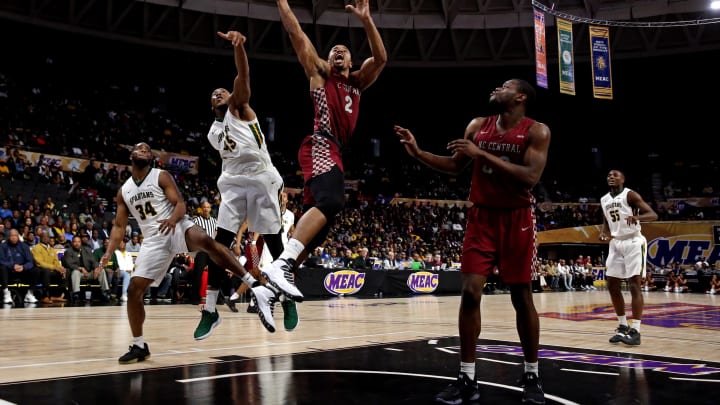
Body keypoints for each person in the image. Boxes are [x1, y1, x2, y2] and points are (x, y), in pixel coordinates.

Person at [394, 78, 550, 404]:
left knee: (522, 296)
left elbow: (530, 177)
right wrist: (418, 152)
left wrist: (483, 154)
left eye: (505, 86)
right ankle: (467, 376)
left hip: (518, 219)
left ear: (520, 96)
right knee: (469, 291)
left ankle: (532, 374)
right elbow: (454, 167)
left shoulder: (537, 131)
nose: (497, 88)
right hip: (482, 218)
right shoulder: (478, 125)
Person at [100, 142, 282, 365]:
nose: (144, 151)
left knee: (207, 241)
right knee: (134, 290)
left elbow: (180, 204)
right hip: (154, 240)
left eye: (148, 150)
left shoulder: (161, 176)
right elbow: (119, 227)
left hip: (175, 226)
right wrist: (108, 252)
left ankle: (254, 285)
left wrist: (173, 219)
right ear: (132, 155)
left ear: (151, 158)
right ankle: (139, 345)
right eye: (140, 148)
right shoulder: (124, 191)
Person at [265, 0, 386, 287]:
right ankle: (281, 264)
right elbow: (296, 34)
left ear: (351, 61)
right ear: (329, 60)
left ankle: (273, 286)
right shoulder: (320, 73)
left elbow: (380, 59)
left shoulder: (357, 83)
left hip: (335, 151)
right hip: (320, 143)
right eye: (334, 51)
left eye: (343, 51)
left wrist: (367, 20)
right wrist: (282, 3)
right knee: (332, 200)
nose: (338, 52)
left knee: (321, 228)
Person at [197, 29, 303, 341]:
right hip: (232, 182)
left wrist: (240, 47)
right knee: (219, 244)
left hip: (259, 176)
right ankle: (210, 310)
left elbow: (242, 75)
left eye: (222, 91)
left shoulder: (240, 107)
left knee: (274, 242)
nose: (218, 94)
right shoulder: (213, 131)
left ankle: (286, 301)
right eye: (213, 94)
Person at [599, 169, 658, 347]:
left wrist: (637, 217)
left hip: (633, 241)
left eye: (615, 175)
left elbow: (653, 215)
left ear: (623, 179)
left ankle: (636, 330)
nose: (611, 176)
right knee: (612, 284)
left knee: (634, 284)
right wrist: (604, 233)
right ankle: (623, 326)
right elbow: (606, 221)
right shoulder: (604, 199)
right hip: (616, 243)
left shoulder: (629, 195)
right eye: (608, 174)